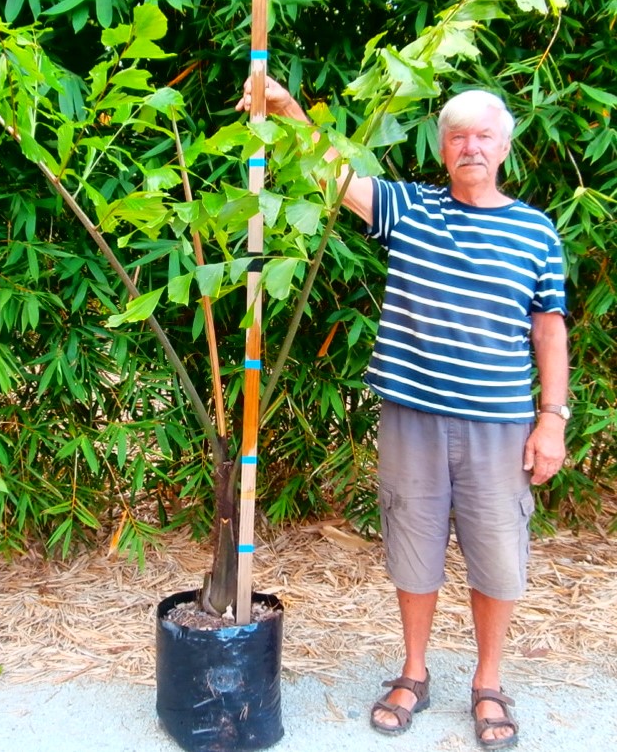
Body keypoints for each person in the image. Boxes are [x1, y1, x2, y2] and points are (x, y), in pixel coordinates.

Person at [237, 78, 569, 750]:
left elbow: (549, 329)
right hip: (412, 417)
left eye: (482, 135)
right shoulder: (411, 209)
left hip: (498, 426)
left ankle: (488, 681)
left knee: (497, 556)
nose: (469, 145)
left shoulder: (535, 229)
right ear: (442, 148)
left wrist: (552, 418)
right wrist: (288, 110)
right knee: (413, 550)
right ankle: (414, 673)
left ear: (504, 147)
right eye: (457, 135)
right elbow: (335, 175)